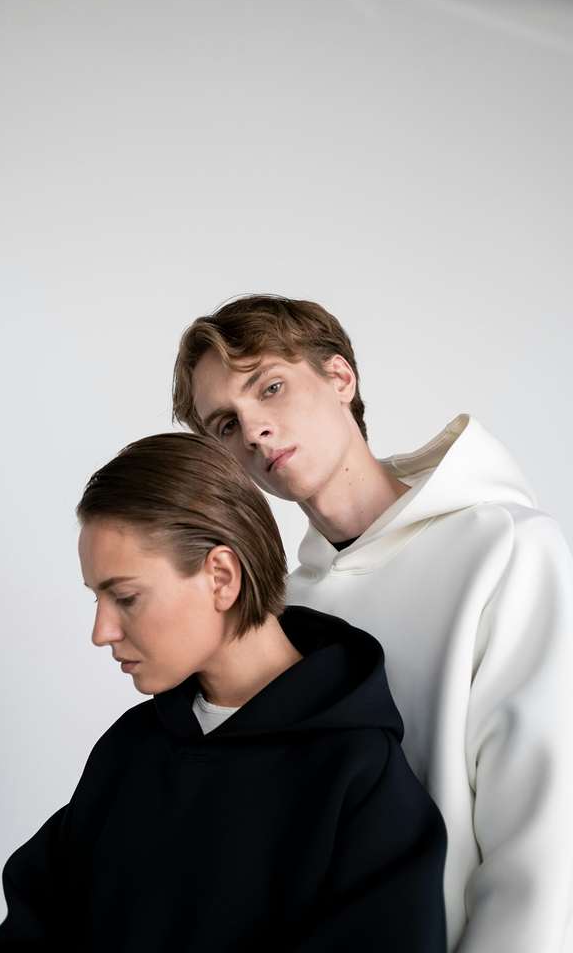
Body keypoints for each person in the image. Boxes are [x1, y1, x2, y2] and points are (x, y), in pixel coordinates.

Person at [172, 293, 573, 953]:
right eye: (225, 424)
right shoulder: (286, 615)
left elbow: (544, 830)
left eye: (270, 387)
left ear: (339, 377)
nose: (254, 431)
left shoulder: (505, 549)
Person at [0, 431, 447, 953]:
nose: (101, 631)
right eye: (97, 600)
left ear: (221, 576)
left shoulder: (360, 780)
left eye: (125, 597)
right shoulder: (130, 750)